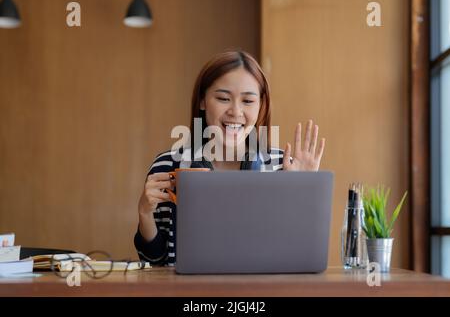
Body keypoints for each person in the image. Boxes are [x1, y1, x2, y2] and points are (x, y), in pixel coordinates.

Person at [134, 50, 326, 266]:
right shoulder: (168, 165)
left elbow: (298, 258)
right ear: (202, 101)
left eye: (248, 101)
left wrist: (301, 196)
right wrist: (145, 213)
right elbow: (154, 260)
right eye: (223, 98)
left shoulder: (282, 167)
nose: (236, 111)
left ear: (261, 106)